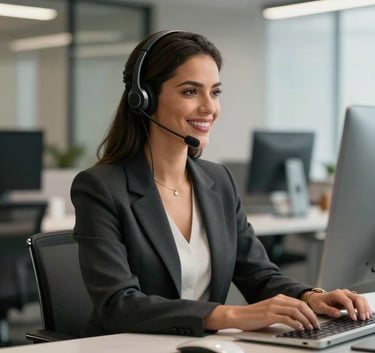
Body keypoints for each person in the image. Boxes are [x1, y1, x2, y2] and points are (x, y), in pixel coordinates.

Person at [70, 30, 371, 338]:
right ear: (144, 99)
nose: (209, 108)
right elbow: (118, 305)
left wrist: (311, 296)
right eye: (190, 92)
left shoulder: (218, 181)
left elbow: (259, 275)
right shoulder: (100, 187)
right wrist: (231, 315)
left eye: (215, 92)